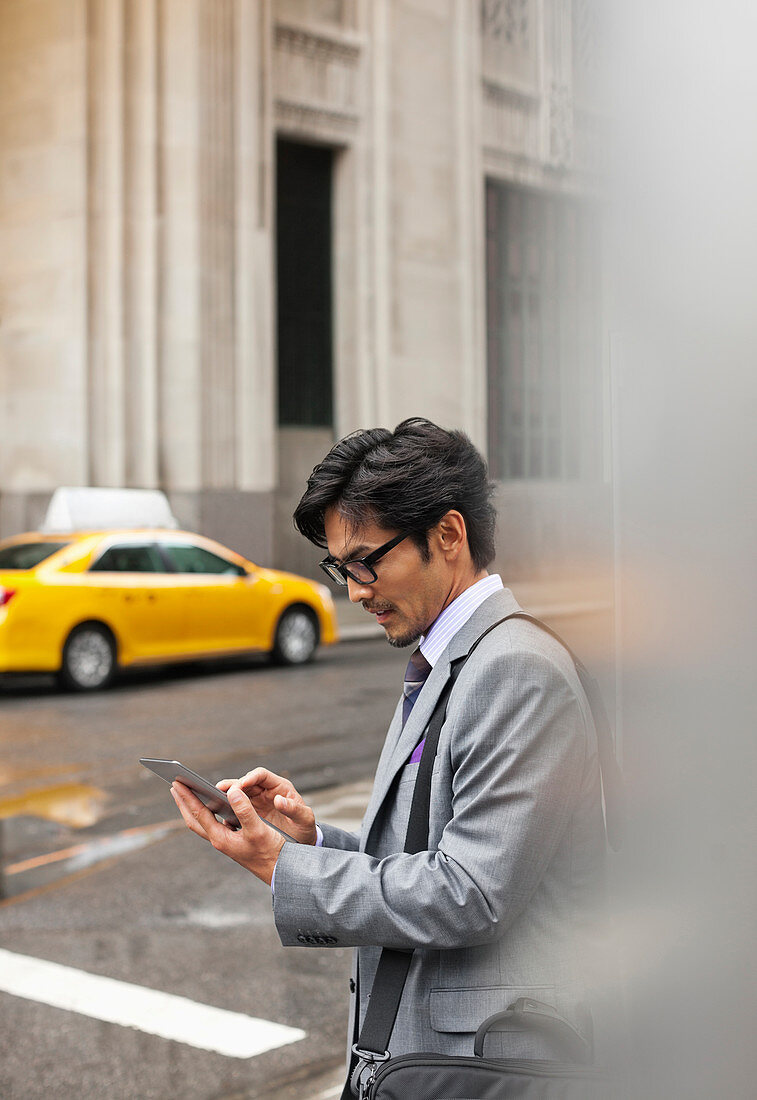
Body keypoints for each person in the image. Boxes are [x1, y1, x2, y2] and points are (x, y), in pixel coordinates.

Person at [171, 417, 607, 1076]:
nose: (352, 590)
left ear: (448, 535)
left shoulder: (515, 668)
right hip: (436, 1062)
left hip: (484, 1069)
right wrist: (312, 843)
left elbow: (468, 892)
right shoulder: (455, 659)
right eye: (338, 567)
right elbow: (432, 855)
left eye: (365, 562)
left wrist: (280, 869)